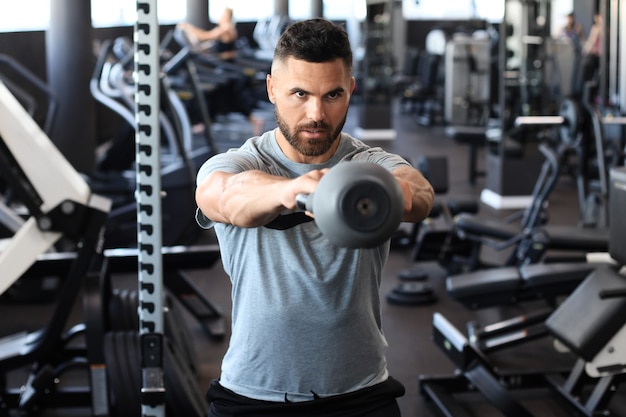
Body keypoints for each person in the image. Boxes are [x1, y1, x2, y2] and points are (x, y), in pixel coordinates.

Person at [194, 18, 434, 417]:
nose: (316, 113)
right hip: (255, 394)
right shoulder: (239, 162)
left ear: (351, 90)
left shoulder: (368, 163)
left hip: (362, 392)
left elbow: (419, 191)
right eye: (299, 93)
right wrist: (292, 190)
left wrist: (385, 193)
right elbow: (222, 196)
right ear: (272, 88)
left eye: (332, 94)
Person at [178, 7, 264, 135]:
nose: (219, 17)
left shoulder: (225, 29)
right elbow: (213, 44)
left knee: (234, 101)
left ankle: (255, 120)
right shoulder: (227, 29)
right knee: (222, 98)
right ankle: (206, 122)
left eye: (222, 15)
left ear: (226, 17)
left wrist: (187, 27)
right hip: (225, 71)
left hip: (227, 72)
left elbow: (204, 36)